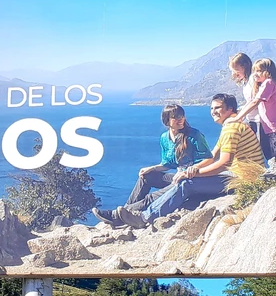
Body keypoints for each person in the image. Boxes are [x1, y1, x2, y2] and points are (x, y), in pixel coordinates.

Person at [94, 93, 264, 229]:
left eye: (218, 108)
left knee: (186, 184)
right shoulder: (230, 126)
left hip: (242, 180)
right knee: (150, 176)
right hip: (236, 175)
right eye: (212, 108)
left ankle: (143, 217)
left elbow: (223, 163)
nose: (213, 111)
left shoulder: (231, 128)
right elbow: (213, 154)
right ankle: (123, 214)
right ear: (167, 121)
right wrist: (163, 169)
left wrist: (194, 173)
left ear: (231, 109)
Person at [120, 104, 213, 207]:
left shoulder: (194, 135)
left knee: (152, 197)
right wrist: (152, 168)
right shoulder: (164, 138)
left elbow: (209, 159)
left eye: (182, 116)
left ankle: (126, 212)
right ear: (167, 120)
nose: (181, 119)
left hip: (191, 179)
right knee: (146, 176)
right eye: (176, 117)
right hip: (177, 177)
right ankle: (127, 207)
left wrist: (194, 167)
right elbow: (167, 164)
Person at [229, 57, 276, 165]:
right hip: (275, 127)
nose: (255, 74)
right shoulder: (269, 84)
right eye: (254, 71)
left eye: (259, 71)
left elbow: (255, 102)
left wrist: (237, 118)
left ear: (268, 72)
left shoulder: (269, 83)